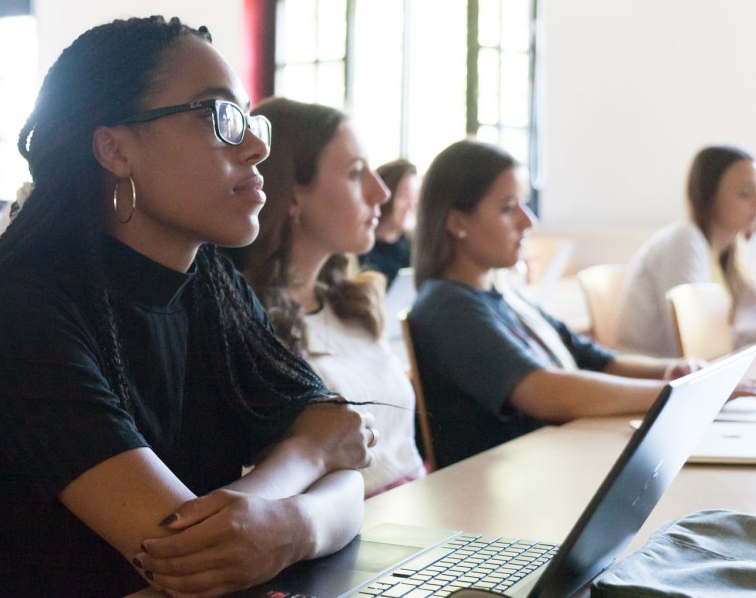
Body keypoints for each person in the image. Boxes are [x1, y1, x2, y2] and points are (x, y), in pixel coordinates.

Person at [0, 16, 374, 597]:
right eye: (219, 116)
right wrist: (308, 467)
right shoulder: (22, 310)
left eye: (250, 119)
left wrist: (293, 521)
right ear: (114, 149)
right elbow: (183, 553)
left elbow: (342, 459)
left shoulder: (209, 282)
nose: (258, 145)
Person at [406, 140, 753, 468]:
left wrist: (672, 371)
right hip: (506, 478)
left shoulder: (504, 297)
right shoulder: (449, 307)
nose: (529, 221)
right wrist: (675, 395)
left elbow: (595, 358)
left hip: (553, 457)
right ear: (457, 223)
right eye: (508, 208)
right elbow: (545, 391)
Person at [239, 97, 425, 496]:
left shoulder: (351, 305)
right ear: (292, 196)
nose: (380, 192)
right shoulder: (250, 324)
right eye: (356, 173)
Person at [618, 145, 756, 357]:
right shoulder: (684, 241)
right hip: (654, 379)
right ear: (708, 197)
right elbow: (696, 343)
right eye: (745, 194)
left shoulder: (726, 257)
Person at [359, 159, 419, 289]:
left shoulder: (413, 249)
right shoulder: (360, 249)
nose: (411, 205)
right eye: (403, 197)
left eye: (414, 197)